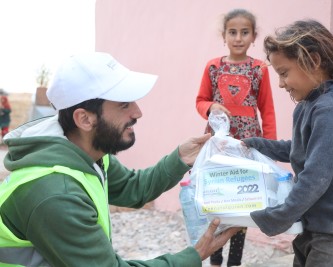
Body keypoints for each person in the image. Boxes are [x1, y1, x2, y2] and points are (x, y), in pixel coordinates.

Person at [0, 52, 240, 267]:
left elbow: (133, 188)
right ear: (84, 119)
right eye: (124, 104)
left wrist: (180, 158)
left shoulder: (85, 151)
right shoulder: (55, 194)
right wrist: (194, 256)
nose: (137, 112)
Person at [243, 20, 333, 267]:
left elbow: (315, 177)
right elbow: (298, 150)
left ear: (313, 61)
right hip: (316, 225)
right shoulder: (309, 106)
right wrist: (253, 144)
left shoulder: (332, 110)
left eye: (284, 73)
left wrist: (278, 217)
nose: (281, 84)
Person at [195, 8, 277, 267]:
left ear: (254, 36)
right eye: (233, 32)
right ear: (224, 35)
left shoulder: (259, 69)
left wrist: (270, 148)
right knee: (219, 197)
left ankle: (235, 262)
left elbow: (267, 110)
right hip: (219, 143)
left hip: (247, 144)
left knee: (243, 201)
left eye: (244, 32)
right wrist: (211, 108)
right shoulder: (213, 67)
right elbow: (200, 101)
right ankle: (215, 259)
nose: (238, 38)